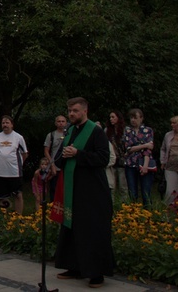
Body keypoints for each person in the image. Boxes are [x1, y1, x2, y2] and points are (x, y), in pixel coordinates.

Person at [54, 97, 114, 288]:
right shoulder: (70, 131)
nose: (71, 114)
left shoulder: (96, 132)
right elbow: (61, 155)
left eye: (75, 111)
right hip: (74, 188)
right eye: (70, 110)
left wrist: (78, 154)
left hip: (92, 191)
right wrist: (62, 157)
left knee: (91, 230)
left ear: (85, 111)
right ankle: (74, 266)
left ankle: (96, 273)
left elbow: (103, 158)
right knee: (73, 228)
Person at [0, 115, 28, 214]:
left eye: (7, 123)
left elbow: (24, 153)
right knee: (1, 197)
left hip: (14, 172)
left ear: (12, 125)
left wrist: (19, 164)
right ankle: (4, 217)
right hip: (0, 173)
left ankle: (18, 218)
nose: (5, 125)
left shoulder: (18, 137)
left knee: (18, 195)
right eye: (3, 123)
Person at [123, 108, 155, 207]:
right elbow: (128, 148)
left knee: (146, 191)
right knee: (132, 191)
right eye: (131, 118)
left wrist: (145, 166)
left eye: (135, 118)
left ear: (141, 118)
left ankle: (147, 213)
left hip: (144, 163)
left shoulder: (148, 130)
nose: (133, 120)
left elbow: (149, 150)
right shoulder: (127, 130)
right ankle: (133, 212)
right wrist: (144, 145)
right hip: (130, 163)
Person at [43, 115, 66, 200]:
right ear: (56, 123)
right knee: (54, 189)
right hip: (55, 166)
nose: (61, 123)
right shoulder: (51, 135)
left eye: (63, 121)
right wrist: (51, 165)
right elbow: (46, 151)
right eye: (59, 121)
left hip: (66, 165)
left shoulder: (69, 134)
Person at [105, 110, 128, 197]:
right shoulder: (107, 130)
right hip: (111, 160)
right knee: (111, 185)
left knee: (123, 186)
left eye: (113, 117)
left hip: (122, 159)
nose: (111, 119)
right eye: (110, 117)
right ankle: (111, 205)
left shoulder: (125, 130)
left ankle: (125, 206)